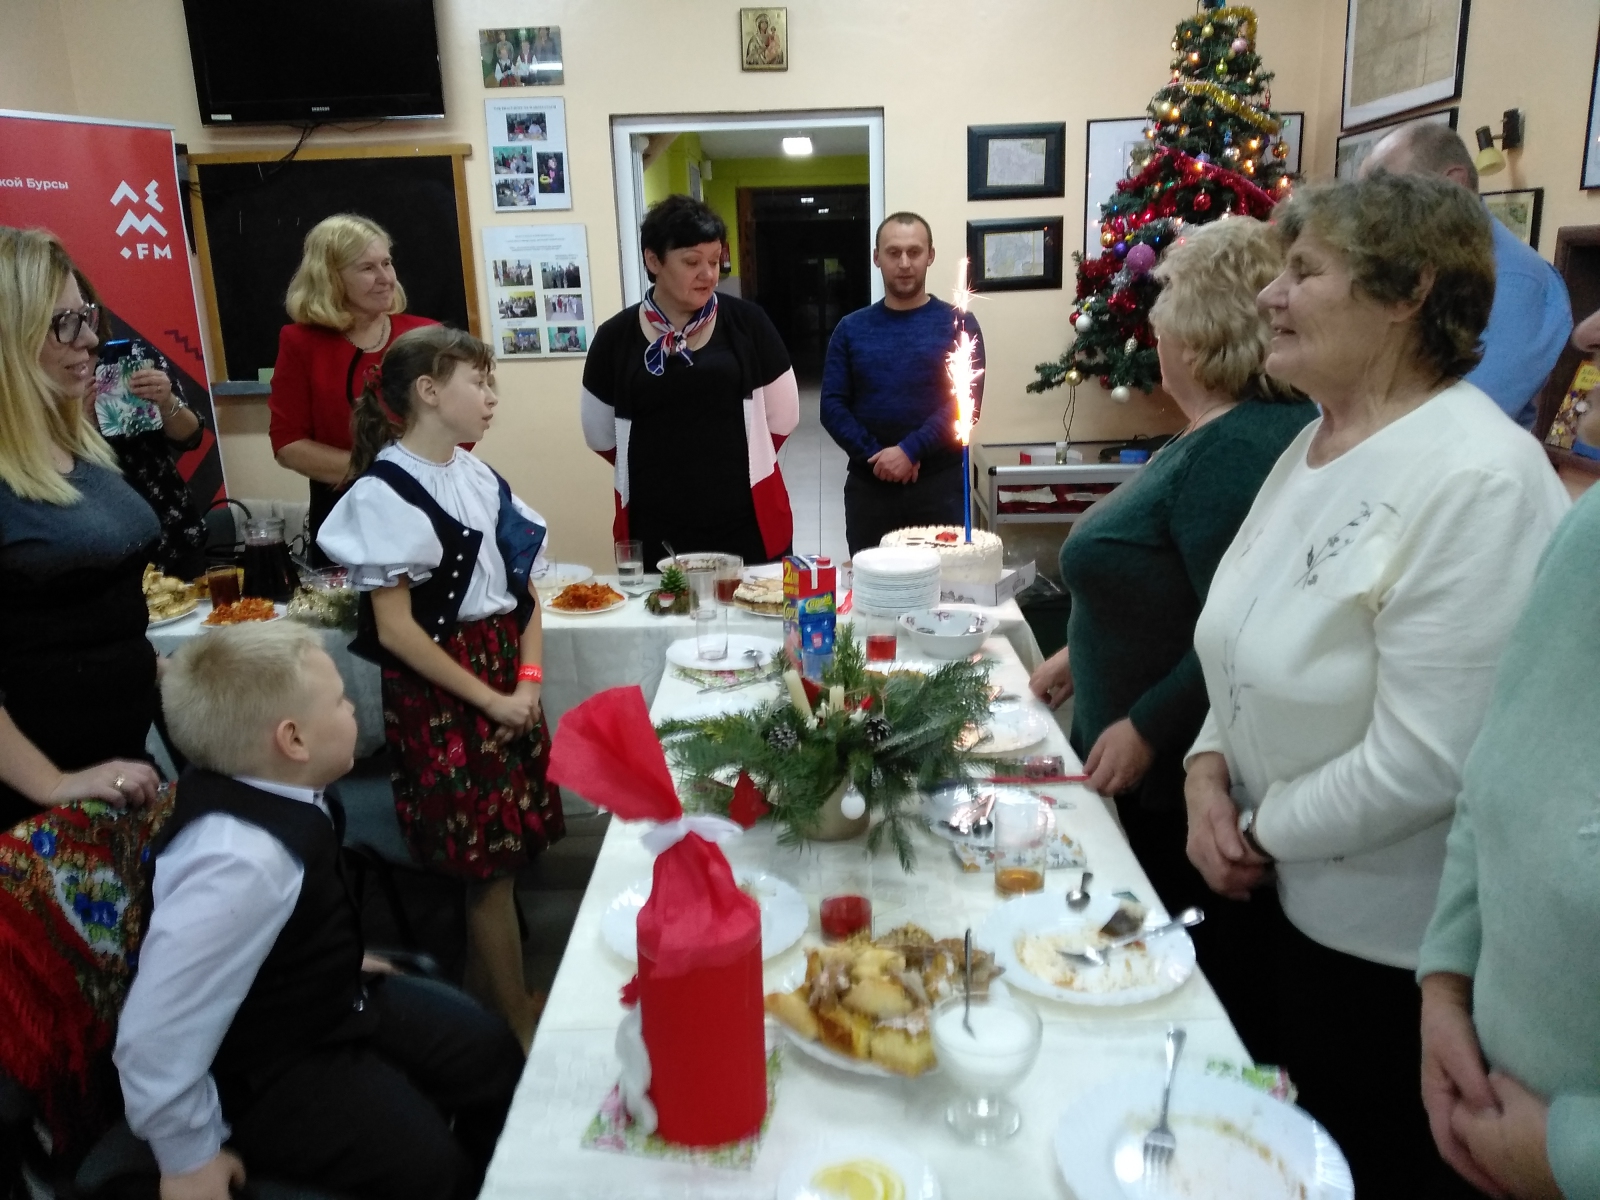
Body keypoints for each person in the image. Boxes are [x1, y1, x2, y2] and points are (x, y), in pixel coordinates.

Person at [1182, 173, 1570, 1197]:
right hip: (1277, 905)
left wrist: (1255, 828)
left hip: (1387, 963)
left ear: (1408, 293)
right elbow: (1241, 639)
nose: (1270, 295)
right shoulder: (1316, 443)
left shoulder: (1475, 477)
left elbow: (1428, 760)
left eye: (1304, 272)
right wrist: (1204, 769)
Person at [1027, 218, 1315, 1056]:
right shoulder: (1211, 430)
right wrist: (1077, 652)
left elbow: (1235, 627)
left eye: (1164, 322)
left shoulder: (1236, 450)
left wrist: (1148, 727)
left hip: (1175, 779)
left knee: (1176, 985)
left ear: (1198, 332)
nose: (1156, 339)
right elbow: (1162, 590)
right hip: (1142, 757)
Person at [115, 622, 522, 1200]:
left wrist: (338, 955)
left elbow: (289, 920)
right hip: (266, 1062)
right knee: (430, 1170)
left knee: (489, 1054)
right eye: (339, 701)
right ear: (294, 740)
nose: (352, 708)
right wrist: (188, 1158)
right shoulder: (240, 863)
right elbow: (153, 1035)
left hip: (324, 996)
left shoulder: (282, 788)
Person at [318, 326, 563, 1047]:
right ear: (428, 391)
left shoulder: (477, 475)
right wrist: (492, 700)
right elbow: (397, 632)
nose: (491, 397)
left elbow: (522, 597)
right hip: (446, 691)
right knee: (485, 867)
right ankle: (513, 1023)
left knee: (504, 854)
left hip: (502, 673)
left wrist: (527, 682)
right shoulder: (385, 492)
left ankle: (481, 1007)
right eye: (477, 382)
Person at [1416, 485, 1600, 1200]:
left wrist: (1572, 1157)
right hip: (1487, 1112)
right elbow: (1499, 769)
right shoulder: (1588, 531)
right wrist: (1446, 983)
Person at [0, 226, 162, 831]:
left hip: (113, 776)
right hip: (33, 807)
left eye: (85, 316)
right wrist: (53, 784)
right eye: (63, 323)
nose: (90, 338)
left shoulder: (80, 448)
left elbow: (88, 620)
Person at [582, 194, 799, 565]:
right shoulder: (615, 337)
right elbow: (600, 435)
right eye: (692, 262)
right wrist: (668, 470)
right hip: (655, 521)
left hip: (744, 515)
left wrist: (732, 462)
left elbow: (784, 418)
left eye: (714, 260)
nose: (708, 274)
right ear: (653, 260)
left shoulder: (749, 324)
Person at [1361, 122, 1571, 430]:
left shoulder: (1516, 281)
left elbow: (1457, 423)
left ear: (1454, 185)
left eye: (1386, 193)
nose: (1368, 214)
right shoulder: (1408, 262)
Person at [268, 214, 437, 562]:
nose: (386, 278)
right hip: (343, 517)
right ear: (331, 278)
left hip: (427, 506)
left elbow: (459, 424)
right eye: (367, 268)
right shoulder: (300, 342)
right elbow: (288, 445)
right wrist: (382, 473)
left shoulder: (427, 336)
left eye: (387, 263)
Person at [821, 212, 985, 555]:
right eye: (894, 252)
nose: (905, 263)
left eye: (915, 251)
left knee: (945, 582)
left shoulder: (960, 324)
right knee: (874, 584)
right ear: (876, 257)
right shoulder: (850, 329)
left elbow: (966, 403)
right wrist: (877, 457)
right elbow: (832, 407)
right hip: (870, 490)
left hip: (939, 489)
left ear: (931, 255)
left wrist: (910, 450)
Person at [74, 268, 209, 580]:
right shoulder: (44, 379)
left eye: (85, 313)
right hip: (104, 541)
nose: (80, 329)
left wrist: (166, 400)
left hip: (172, 525)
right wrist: (81, 424)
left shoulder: (134, 355)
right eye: (66, 319)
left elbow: (191, 437)